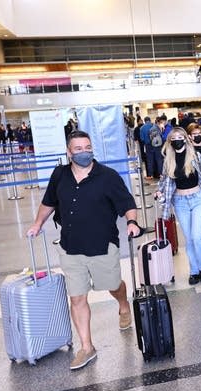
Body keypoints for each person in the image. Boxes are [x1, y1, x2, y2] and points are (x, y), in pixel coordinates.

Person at [26, 131, 141, 370]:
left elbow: (127, 203)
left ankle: (123, 304)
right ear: (69, 152)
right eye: (77, 148)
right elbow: (49, 202)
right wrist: (37, 223)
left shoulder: (107, 176)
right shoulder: (60, 175)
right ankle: (87, 347)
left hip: (102, 245)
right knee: (77, 297)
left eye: (87, 147)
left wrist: (131, 222)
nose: (83, 152)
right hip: (71, 247)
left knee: (113, 285)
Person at [155, 127, 201, 285]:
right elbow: (163, 180)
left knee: (196, 236)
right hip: (180, 201)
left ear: (185, 138)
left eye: (180, 136)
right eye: (173, 137)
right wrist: (159, 191)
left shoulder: (196, 156)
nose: (177, 140)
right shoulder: (168, 160)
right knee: (189, 238)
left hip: (198, 198)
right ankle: (194, 271)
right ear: (170, 141)